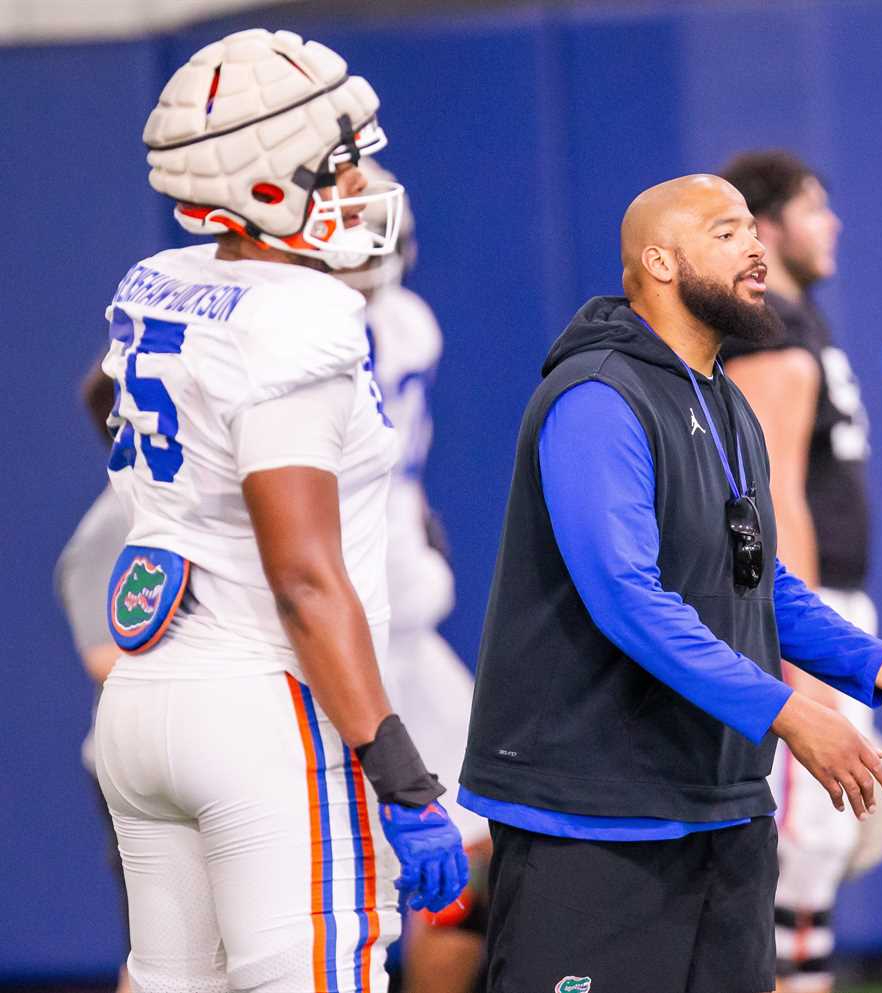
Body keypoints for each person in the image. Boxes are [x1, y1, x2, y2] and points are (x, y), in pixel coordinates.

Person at [458, 173, 882, 993]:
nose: (755, 247)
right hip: (594, 819)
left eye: (755, 228)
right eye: (725, 232)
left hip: (721, 812)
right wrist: (791, 712)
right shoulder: (596, 395)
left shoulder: (726, 403)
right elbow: (627, 598)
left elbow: (759, 583)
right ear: (660, 261)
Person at [92, 29, 467, 992]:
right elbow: (303, 576)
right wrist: (401, 774)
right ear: (266, 185)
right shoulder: (301, 316)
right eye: (337, 167)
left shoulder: (158, 285)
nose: (357, 187)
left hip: (145, 701)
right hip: (266, 704)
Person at [718, 150, 882, 993]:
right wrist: (801, 644)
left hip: (829, 606)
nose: (833, 225)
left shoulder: (803, 320)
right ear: (768, 225)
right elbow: (769, 489)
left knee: (819, 845)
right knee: (801, 842)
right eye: (813, 207)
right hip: (799, 609)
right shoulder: (770, 330)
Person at [338, 160, 491, 993]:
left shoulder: (402, 323)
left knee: (478, 836)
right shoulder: (312, 326)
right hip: (323, 626)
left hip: (395, 612)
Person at [53, 366, 133, 993]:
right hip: (129, 766)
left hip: (181, 746)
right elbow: (100, 654)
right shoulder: (105, 530)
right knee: (162, 952)